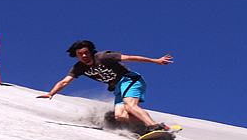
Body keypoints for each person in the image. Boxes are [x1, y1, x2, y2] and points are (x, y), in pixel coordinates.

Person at [36, 40, 174, 134]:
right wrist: (51, 93)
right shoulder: (79, 68)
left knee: (130, 105)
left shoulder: (103, 57)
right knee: (120, 116)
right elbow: (64, 81)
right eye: (80, 54)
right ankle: (156, 124)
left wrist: (155, 60)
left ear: (91, 52)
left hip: (130, 79)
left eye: (86, 52)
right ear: (75, 55)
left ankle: (153, 126)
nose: (84, 56)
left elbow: (130, 57)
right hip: (118, 88)